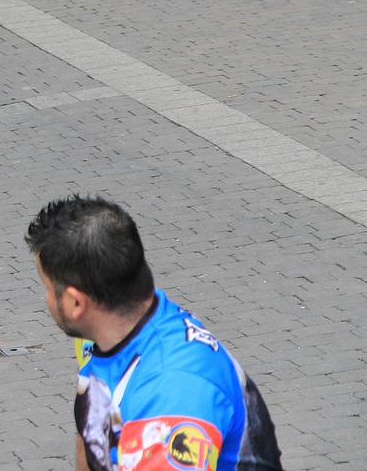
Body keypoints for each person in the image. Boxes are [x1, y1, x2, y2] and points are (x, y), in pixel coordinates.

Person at [26, 196, 283, 471]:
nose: (46, 299)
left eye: (47, 287)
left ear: (76, 304)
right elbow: (90, 437)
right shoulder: (121, 327)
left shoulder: (173, 393)